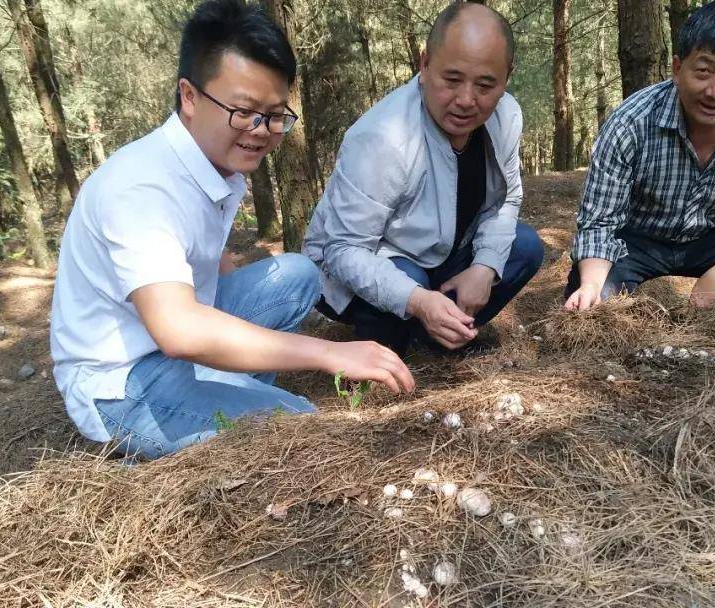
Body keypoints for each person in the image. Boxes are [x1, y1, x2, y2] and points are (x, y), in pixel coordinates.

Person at [50, 0, 413, 460]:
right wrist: (328, 353)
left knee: (298, 274)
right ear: (190, 96)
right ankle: (196, 417)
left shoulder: (216, 164)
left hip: (167, 343)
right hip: (123, 381)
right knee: (299, 423)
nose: (261, 131)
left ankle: (224, 388)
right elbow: (180, 330)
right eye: (243, 111)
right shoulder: (140, 187)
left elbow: (204, 264)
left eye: (276, 114)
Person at [303, 2, 544, 355]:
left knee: (524, 247)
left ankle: (437, 338)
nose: (465, 100)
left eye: (485, 85)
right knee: (408, 280)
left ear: (508, 76)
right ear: (424, 63)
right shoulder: (381, 137)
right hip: (366, 263)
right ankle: (388, 342)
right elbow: (342, 250)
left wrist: (484, 266)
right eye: (452, 79)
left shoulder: (506, 117)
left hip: (439, 251)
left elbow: (505, 200)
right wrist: (417, 300)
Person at [565, 0, 715, 311]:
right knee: (593, 308)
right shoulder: (631, 123)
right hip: (637, 242)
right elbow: (600, 222)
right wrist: (591, 285)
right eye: (704, 71)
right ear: (678, 69)